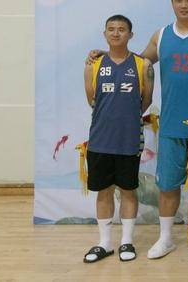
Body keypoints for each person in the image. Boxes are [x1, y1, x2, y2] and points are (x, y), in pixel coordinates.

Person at [88, 0, 188, 260]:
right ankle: (166, 239)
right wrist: (107, 54)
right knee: (168, 185)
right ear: (172, 3)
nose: (184, 5)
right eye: (178, 0)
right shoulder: (161, 36)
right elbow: (134, 62)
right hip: (172, 124)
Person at [82, 15, 154, 263]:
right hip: (100, 139)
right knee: (103, 192)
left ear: (130, 35)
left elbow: (146, 100)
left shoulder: (143, 65)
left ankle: (126, 241)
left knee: (128, 191)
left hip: (129, 139)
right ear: (104, 34)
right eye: (111, 29)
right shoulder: (92, 65)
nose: (116, 33)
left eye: (121, 29)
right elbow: (92, 100)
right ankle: (104, 243)